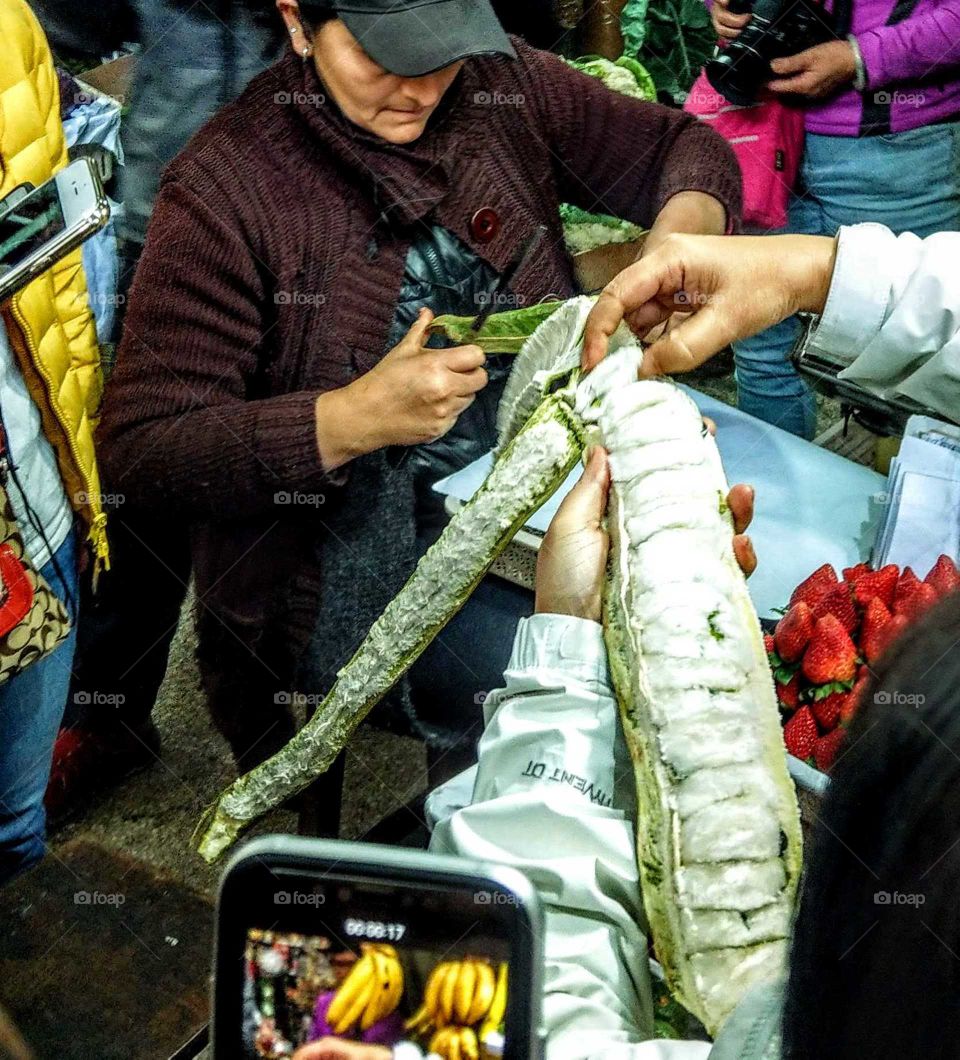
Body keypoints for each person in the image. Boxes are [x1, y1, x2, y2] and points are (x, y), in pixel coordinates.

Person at [98, 0, 742, 808]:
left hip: (531, 508)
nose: (422, 87)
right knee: (546, 687)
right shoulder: (226, 190)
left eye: (442, 53)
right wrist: (349, 419)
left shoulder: (498, 87)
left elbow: (684, 148)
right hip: (333, 573)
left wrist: (675, 246)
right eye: (386, 58)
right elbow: (146, 452)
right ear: (299, 23)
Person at [708, 0, 960, 439]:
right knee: (762, 350)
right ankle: (773, 504)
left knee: (916, 364)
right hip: (764, 133)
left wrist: (862, 57)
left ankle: (913, 500)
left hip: (898, 148)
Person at [0, 0, 109, 883]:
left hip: (31, 498)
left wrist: (83, 473)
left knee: (13, 823)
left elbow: (58, 290)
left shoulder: (9, 32)